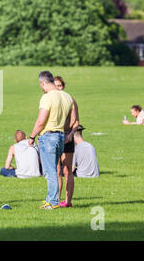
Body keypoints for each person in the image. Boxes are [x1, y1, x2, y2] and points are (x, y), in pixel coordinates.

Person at [28, 71, 76, 210]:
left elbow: (41, 121)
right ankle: (50, 199)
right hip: (61, 135)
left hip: (48, 136)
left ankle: (53, 202)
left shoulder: (47, 97)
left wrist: (32, 136)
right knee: (55, 171)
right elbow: (72, 120)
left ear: (42, 83)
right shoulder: (67, 97)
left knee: (50, 172)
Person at [54, 76, 79, 208]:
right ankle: (56, 200)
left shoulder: (71, 100)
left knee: (67, 170)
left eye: (60, 85)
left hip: (67, 136)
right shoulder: (50, 101)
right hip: (54, 136)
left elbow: (76, 121)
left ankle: (68, 201)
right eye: (56, 86)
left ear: (63, 86)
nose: (58, 88)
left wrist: (70, 134)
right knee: (56, 170)